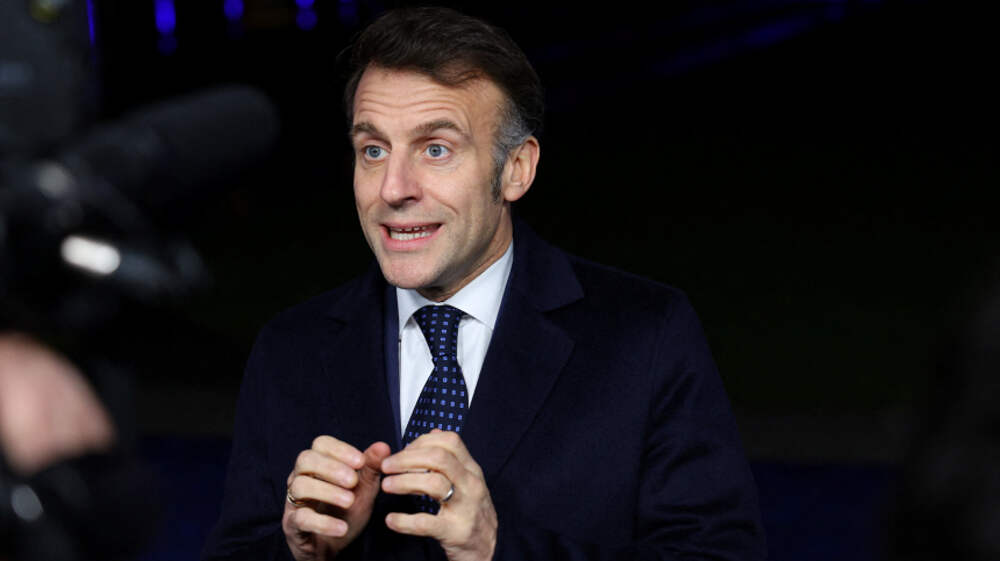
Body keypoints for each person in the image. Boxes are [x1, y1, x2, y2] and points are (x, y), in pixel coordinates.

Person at [203, 7, 765, 561]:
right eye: (374, 150)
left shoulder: (645, 335)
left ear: (516, 169)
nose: (393, 188)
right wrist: (300, 554)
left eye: (436, 149)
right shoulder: (291, 349)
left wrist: (497, 548)